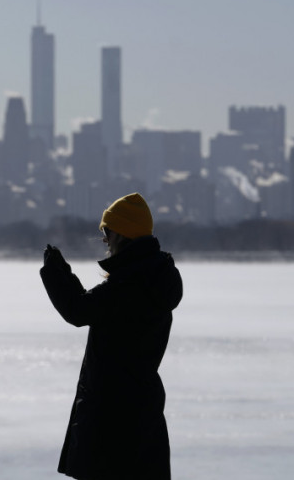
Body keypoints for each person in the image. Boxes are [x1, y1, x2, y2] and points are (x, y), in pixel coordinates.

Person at [40, 193, 182, 480]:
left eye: (107, 231)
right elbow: (90, 307)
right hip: (143, 412)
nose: (104, 238)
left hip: (111, 418)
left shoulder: (129, 286)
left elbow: (79, 310)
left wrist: (56, 272)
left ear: (122, 234)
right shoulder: (153, 279)